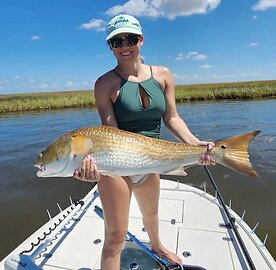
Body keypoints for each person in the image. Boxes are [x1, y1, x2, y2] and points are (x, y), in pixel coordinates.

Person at [73, 14, 216, 269]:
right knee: (116, 238)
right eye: (117, 42)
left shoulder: (163, 75)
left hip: (152, 159)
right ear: (110, 46)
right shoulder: (104, 84)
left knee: (151, 214)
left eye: (130, 39)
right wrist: (90, 170)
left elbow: (172, 117)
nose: (124, 46)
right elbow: (110, 134)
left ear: (141, 40)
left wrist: (196, 144)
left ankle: (157, 246)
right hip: (118, 163)